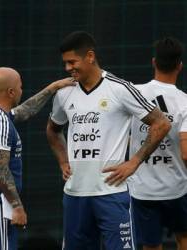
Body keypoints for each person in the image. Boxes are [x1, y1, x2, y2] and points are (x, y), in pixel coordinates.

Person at [46, 31, 171, 250]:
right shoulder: (64, 93)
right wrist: (63, 161)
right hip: (75, 194)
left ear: (90, 56)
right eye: (65, 63)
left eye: (72, 62)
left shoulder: (119, 88)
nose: (68, 68)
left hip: (112, 193)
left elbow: (161, 123)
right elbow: (53, 129)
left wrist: (134, 162)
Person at [0, 67, 74, 250]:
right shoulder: (0, 123)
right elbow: (0, 169)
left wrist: (52, 87)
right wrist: (16, 206)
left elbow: (24, 111)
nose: (22, 91)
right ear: (11, 92)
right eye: (20, 87)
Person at [128, 37, 187, 250]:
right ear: (180, 66)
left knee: (151, 246)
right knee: (184, 237)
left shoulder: (133, 93)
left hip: (144, 191)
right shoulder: (185, 102)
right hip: (178, 188)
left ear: (154, 62)